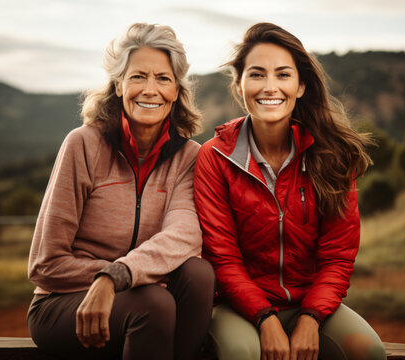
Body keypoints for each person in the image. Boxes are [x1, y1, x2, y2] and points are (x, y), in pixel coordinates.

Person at [194, 22, 386, 360]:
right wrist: (265, 318)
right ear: (239, 87)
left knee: (367, 350)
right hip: (236, 307)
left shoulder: (332, 155)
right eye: (256, 75)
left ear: (300, 87)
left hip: (311, 305)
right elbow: (222, 258)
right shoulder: (214, 157)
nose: (270, 87)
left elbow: (338, 256)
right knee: (242, 352)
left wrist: (311, 319)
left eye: (283, 75)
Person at [27, 23, 215, 360]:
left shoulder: (189, 157)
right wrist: (104, 279)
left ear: (176, 91)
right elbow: (45, 264)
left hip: (133, 291)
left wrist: (118, 276)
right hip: (63, 303)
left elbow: (183, 236)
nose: (150, 89)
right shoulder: (83, 144)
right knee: (154, 304)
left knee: (198, 274)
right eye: (138, 76)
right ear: (118, 85)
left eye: (163, 78)